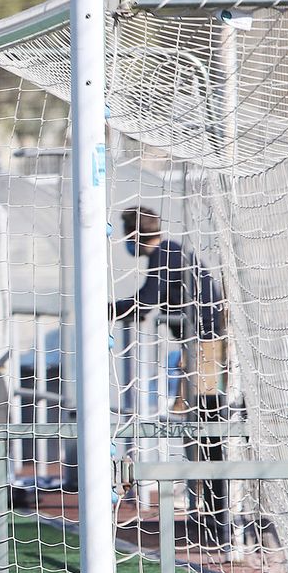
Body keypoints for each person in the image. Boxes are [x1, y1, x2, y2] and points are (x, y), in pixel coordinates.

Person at [113, 205, 229, 542]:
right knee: (196, 425)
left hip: (206, 349)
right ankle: (205, 505)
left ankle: (216, 515)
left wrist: (108, 308)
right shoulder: (171, 252)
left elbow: (145, 302)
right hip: (198, 348)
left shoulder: (165, 255)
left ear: (134, 235)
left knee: (207, 427)